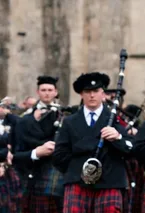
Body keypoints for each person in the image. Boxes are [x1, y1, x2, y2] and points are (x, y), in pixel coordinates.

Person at [53, 72, 133, 212]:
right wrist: (79, 169)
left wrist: (118, 137)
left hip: (110, 181)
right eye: (87, 91)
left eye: (96, 91)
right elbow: (59, 155)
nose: (92, 95)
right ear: (81, 95)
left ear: (103, 94)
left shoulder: (114, 120)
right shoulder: (70, 122)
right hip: (77, 181)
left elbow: (131, 150)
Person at [15, 76, 64, 212]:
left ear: (56, 92)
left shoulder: (66, 116)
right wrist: (37, 152)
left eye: (50, 90)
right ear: (38, 92)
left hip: (57, 173)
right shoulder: (26, 119)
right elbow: (17, 151)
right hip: (32, 173)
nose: (47, 93)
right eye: (43, 90)